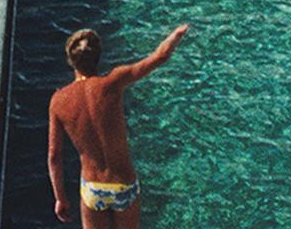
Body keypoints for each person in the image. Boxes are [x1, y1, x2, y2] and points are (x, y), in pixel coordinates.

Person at [48, 22, 188, 225]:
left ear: (71, 60)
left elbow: (54, 156)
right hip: (123, 183)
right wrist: (176, 34)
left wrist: (60, 198)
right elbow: (159, 57)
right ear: (97, 57)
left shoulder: (58, 101)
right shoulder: (113, 82)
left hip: (92, 188)